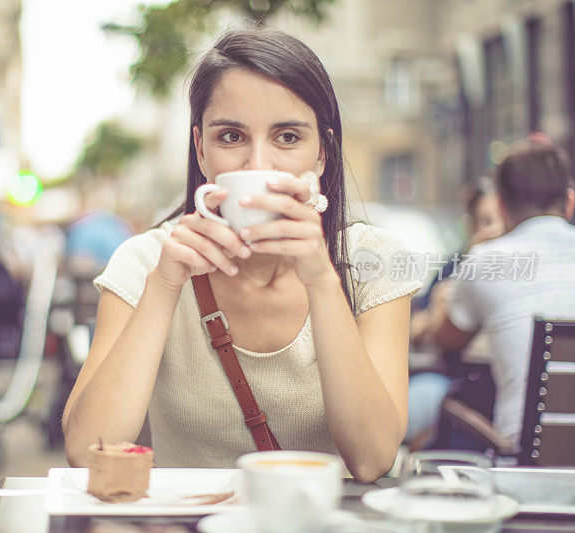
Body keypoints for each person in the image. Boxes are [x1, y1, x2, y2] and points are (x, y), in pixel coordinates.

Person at [62, 28, 421, 481]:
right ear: (201, 149)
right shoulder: (147, 261)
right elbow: (88, 450)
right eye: (231, 137)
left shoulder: (373, 261)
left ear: (322, 154)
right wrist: (166, 284)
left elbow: (372, 459)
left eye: (287, 137)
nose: (258, 166)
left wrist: (322, 281)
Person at [432, 140, 575, 449]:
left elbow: (445, 339)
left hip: (525, 458)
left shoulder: (487, 260)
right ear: (569, 202)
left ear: (500, 206)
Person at [404, 177, 504, 448]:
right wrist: (443, 302)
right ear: (472, 227)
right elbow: (416, 328)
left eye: (500, 222)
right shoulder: (457, 267)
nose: (494, 231)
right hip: (455, 379)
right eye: (485, 222)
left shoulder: (518, 268)